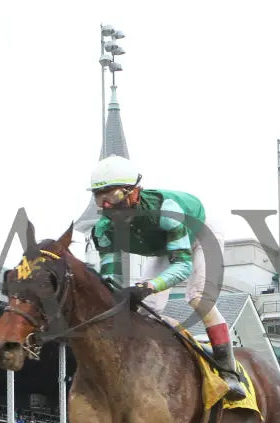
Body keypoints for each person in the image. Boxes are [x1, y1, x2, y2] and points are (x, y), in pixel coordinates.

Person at [88, 156, 246, 400]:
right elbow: (110, 279)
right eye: (99, 196)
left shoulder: (166, 210)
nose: (106, 205)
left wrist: (147, 286)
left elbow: (182, 266)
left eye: (113, 196)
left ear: (133, 193)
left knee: (198, 297)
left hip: (201, 232)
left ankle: (229, 370)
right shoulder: (103, 229)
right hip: (165, 245)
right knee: (143, 308)